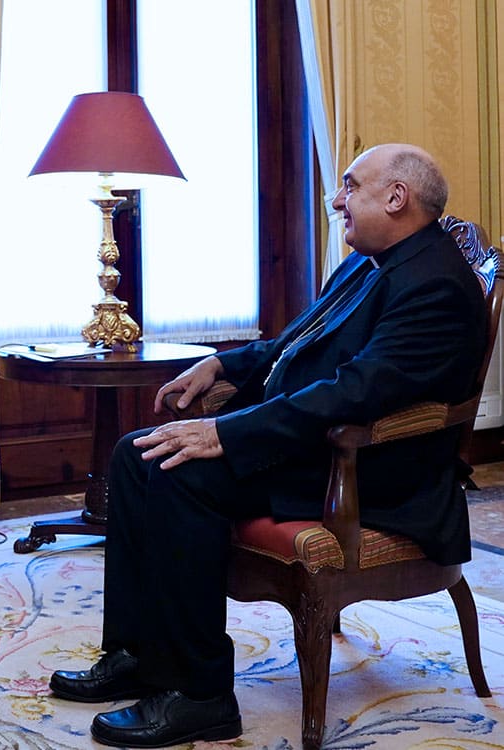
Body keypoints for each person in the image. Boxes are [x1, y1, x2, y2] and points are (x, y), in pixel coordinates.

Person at [48, 143, 489, 748]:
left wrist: (225, 433)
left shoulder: (435, 286)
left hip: (369, 469)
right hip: (316, 443)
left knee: (179, 471)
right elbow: (295, 345)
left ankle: (200, 695)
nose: (337, 200)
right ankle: (137, 655)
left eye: (351, 186)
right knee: (136, 453)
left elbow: (354, 394)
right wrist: (220, 364)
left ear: (396, 198)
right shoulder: (368, 262)